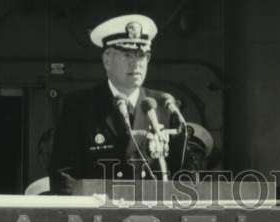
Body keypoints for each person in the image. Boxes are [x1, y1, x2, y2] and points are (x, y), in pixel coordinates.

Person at [49, 13, 187, 190]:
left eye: (141, 55)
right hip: (97, 213)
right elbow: (63, 173)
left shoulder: (163, 105)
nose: (136, 64)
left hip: (151, 213)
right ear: (107, 59)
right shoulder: (79, 106)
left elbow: (183, 172)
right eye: (128, 55)